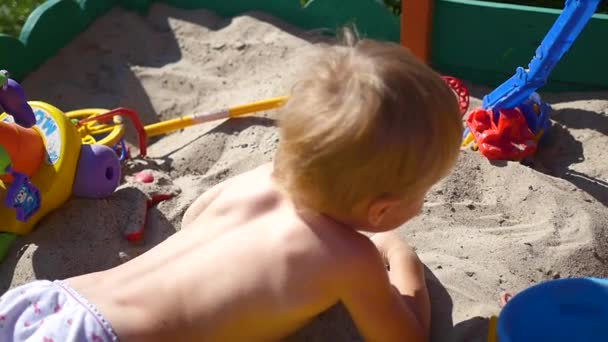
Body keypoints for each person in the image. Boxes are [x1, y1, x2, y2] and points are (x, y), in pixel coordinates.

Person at [0, 28, 463, 342]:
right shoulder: (350, 257)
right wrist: (403, 258)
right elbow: (405, 336)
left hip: (47, 304)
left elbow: (195, 216)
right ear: (380, 211)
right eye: (422, 194)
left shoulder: (257, 179)